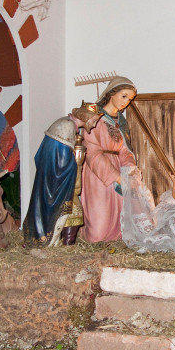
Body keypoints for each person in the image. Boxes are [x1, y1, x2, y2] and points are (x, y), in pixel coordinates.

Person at [22, 103, 103, 246]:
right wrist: (76, 163)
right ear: (87, 117)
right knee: (59, 210)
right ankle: (48, 242)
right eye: (94, 120)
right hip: (55, 181)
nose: (95, 124)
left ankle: (54, 241)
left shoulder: (68, 124)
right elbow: (62, 161)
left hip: (51, 178)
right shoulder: (68, 127)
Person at [81, 76, 138, 242]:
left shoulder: (120, 121)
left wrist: (129, 169)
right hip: (98, 171)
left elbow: (125, 149)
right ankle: (88, 236)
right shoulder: (93, 116)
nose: (126, 102)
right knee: (98, 228)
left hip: (118, 168)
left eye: (130, 99)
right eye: (124, 96)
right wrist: (116, 176)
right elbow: (92, 151)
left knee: (118, 217)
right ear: (112, 93)